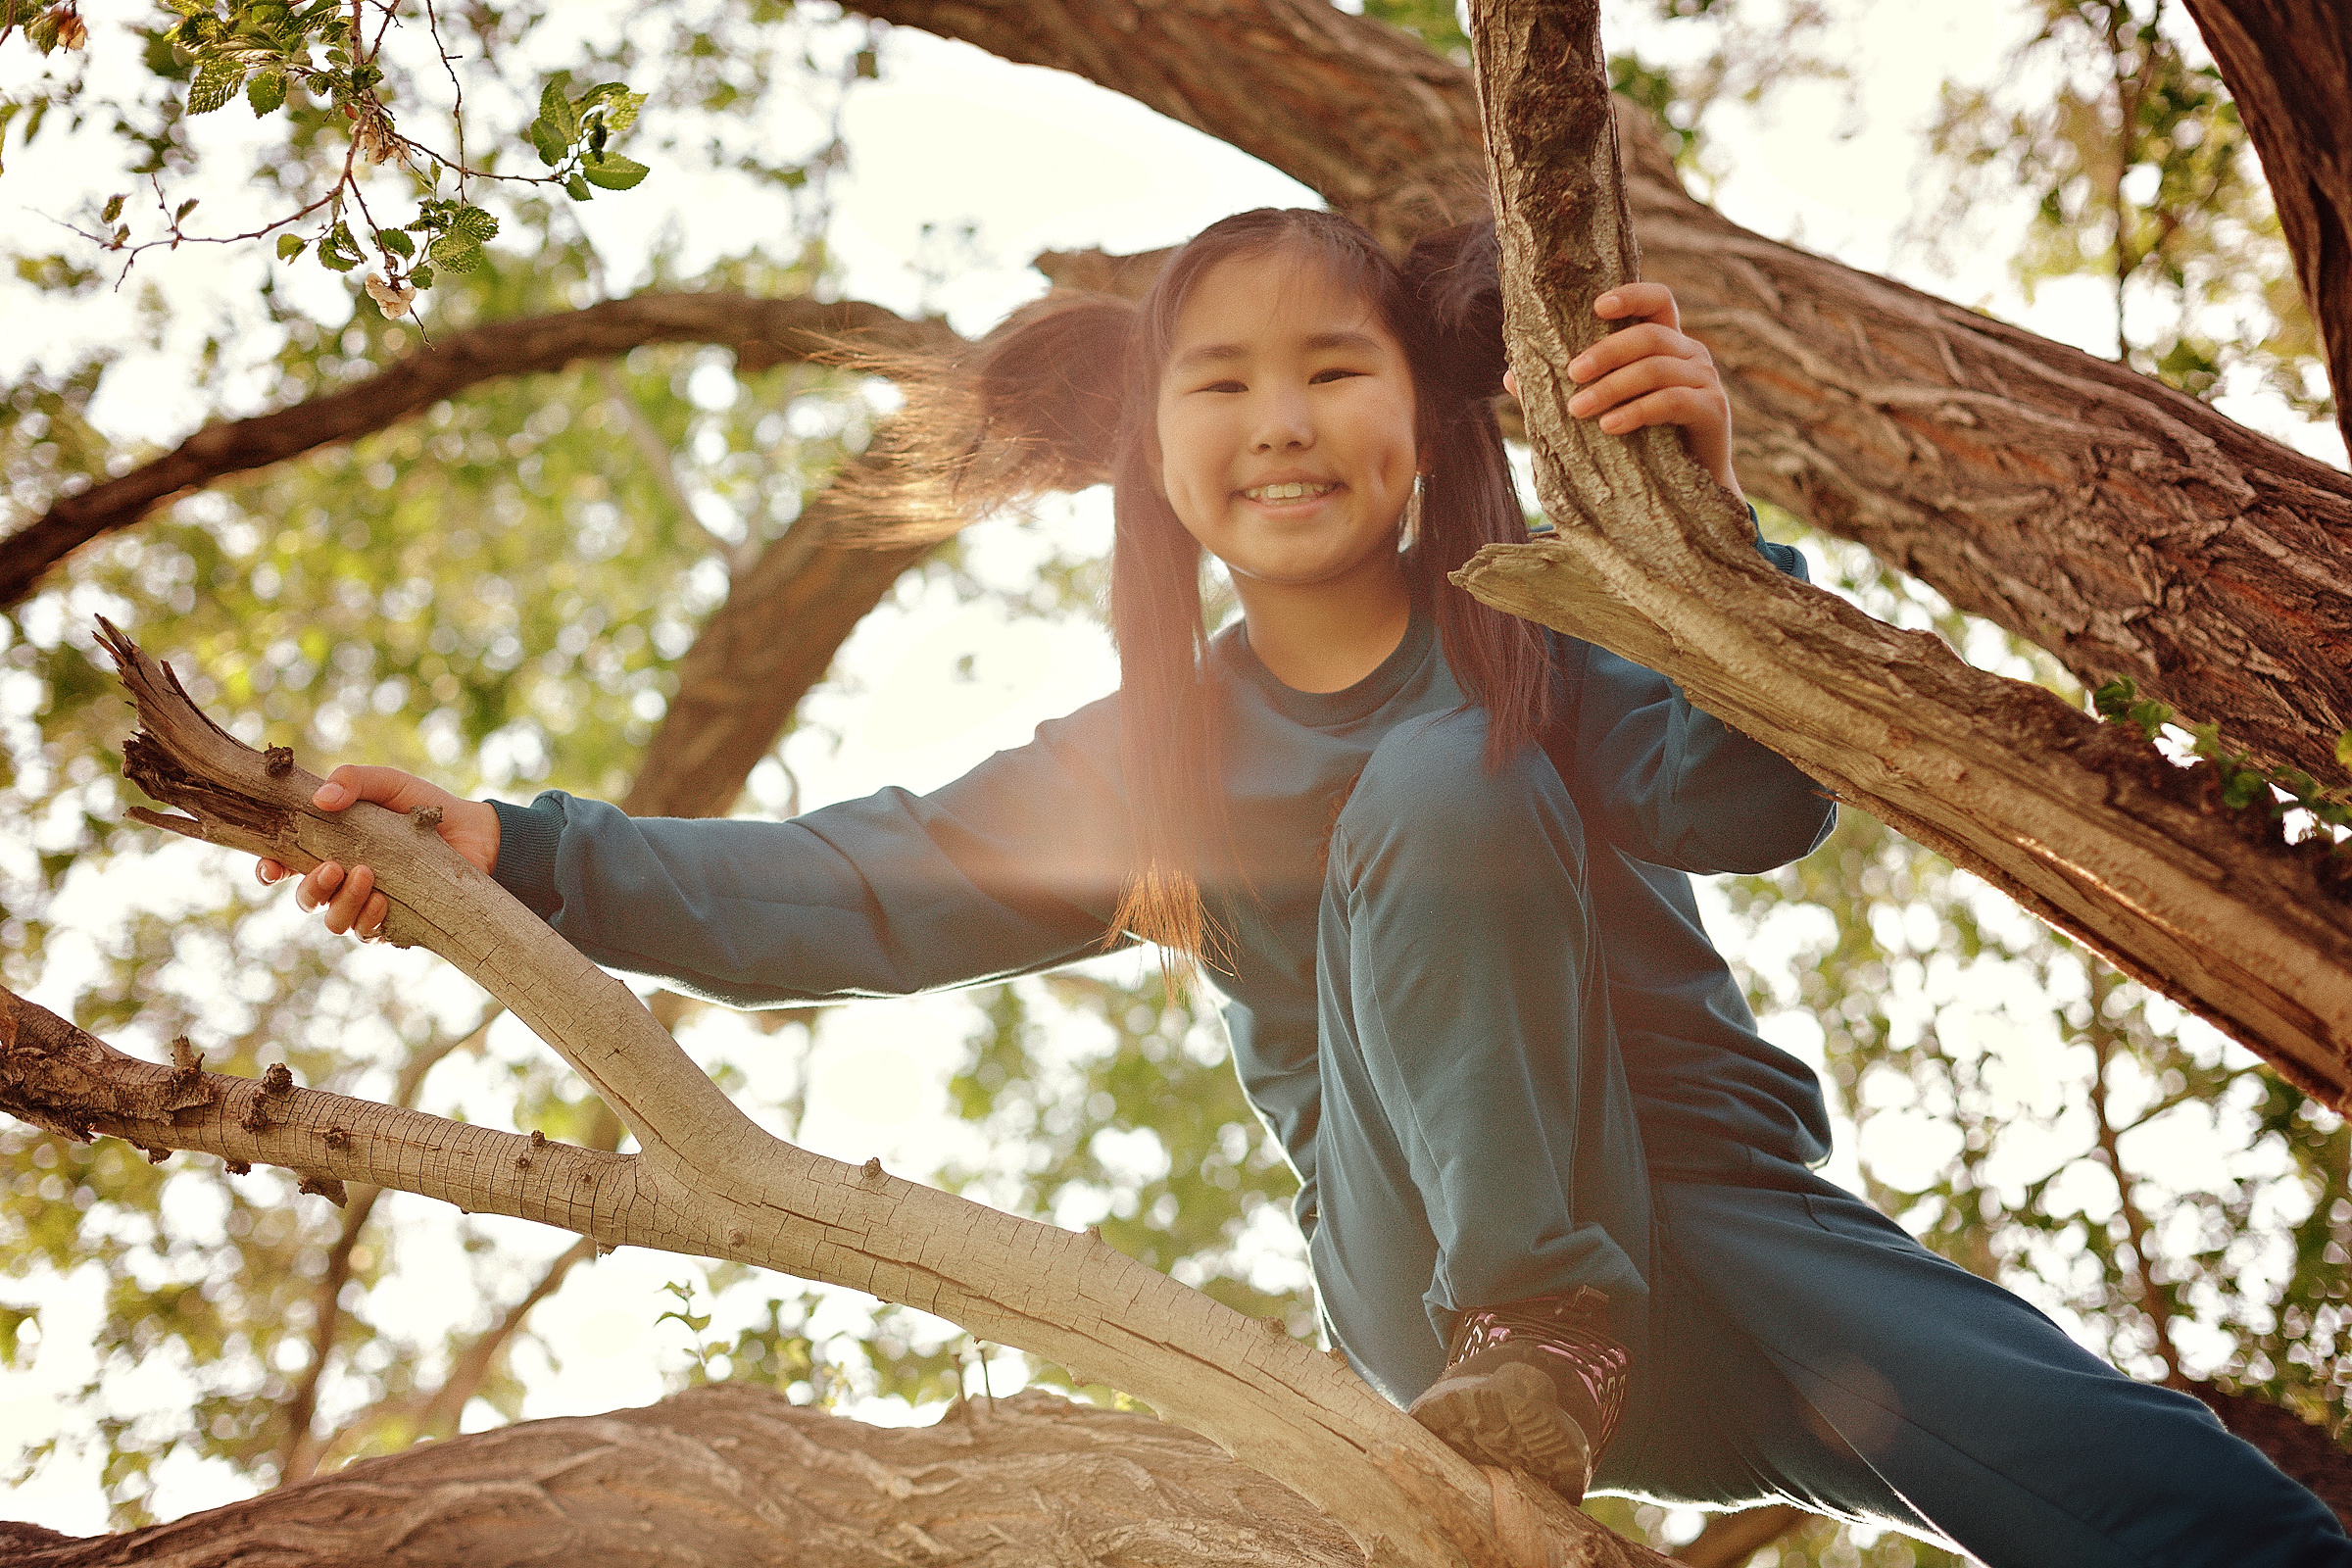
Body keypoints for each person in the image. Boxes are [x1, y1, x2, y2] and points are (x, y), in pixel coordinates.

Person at [258, 209, 2350, 1566]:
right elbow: (843, 884)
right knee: (1428, 794)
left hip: (1731, 1230)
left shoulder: (1543, 631)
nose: (1282, 421)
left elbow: (1754, 801)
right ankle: (1537, 1320)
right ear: (1154, 458)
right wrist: (520, 848)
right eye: (1222, 382)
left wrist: (1702, 543)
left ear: (1430, 415)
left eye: (1333, 369)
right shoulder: (1148, 757)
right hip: (1441, 1270)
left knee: (2142, 1479)